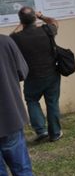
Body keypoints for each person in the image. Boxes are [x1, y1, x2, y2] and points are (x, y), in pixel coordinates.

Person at [2, 28, 48, 176]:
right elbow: (23, 72)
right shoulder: (5, 42)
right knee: (23, 173)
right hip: (10, 117)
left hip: (11, 120)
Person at [10, 9, 63, 143]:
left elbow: (11, 35)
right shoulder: (47, 30)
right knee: (52, 102)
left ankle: (41, 131)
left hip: (32, 76)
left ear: (21, 20)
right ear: (35, 18)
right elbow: (54, 22)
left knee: (32, 101)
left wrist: (22, 22)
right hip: (51, 73)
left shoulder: (17, 37)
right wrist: (41, 16)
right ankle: (55, 133)